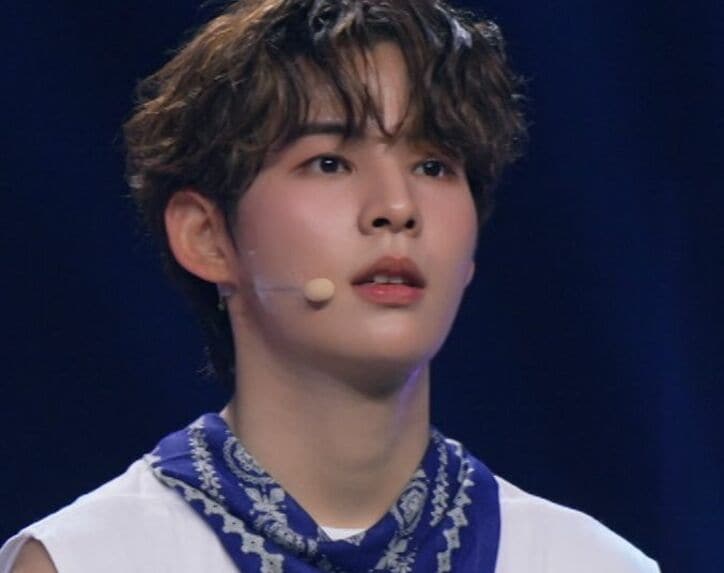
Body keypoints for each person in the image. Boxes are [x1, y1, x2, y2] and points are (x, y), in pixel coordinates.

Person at [1, 1, 660, 571]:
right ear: (207, 236)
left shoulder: (591, 563)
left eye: (434, 165)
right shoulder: (89, 559)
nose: (397, 207)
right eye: (329, 161)